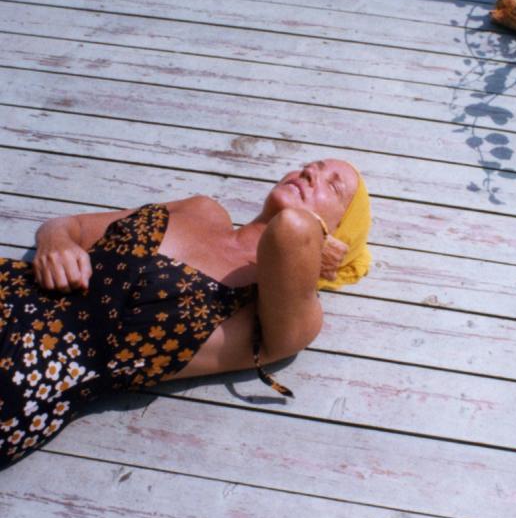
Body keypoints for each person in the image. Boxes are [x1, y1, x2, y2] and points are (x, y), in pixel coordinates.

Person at [0, 159, 371, 468]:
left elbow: (294, 229)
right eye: (310, 167)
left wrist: (312, 240)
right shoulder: (201, 210)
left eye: (332, 185)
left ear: (340, 235)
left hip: (21, 377)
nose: (310, 174)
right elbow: (71, 226)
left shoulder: (270, 316)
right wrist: (56, 244)